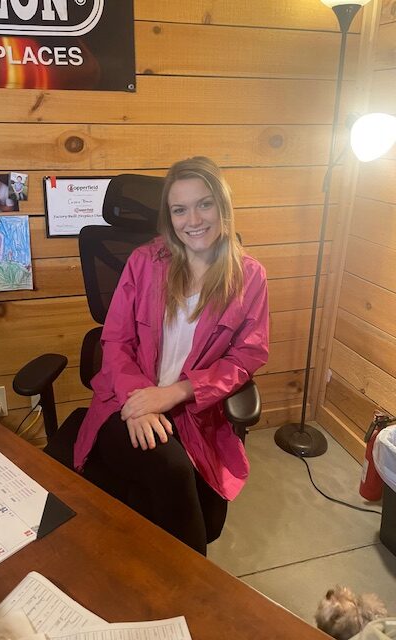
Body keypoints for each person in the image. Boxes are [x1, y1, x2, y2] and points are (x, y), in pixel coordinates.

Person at [51, 157, 269, 555]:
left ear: (222, 206)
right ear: (169, 217)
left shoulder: (249, 275)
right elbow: (115, 341)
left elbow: (246, 356)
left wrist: (177, 392)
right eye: (179, 209)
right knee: (171, 470)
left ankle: (169, 574)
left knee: (178, 494)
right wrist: (139, 403)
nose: (193, 220)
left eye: (204, 204)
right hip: (124, 401)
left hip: (194, 411)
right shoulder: (144, 262)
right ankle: (194, 583)